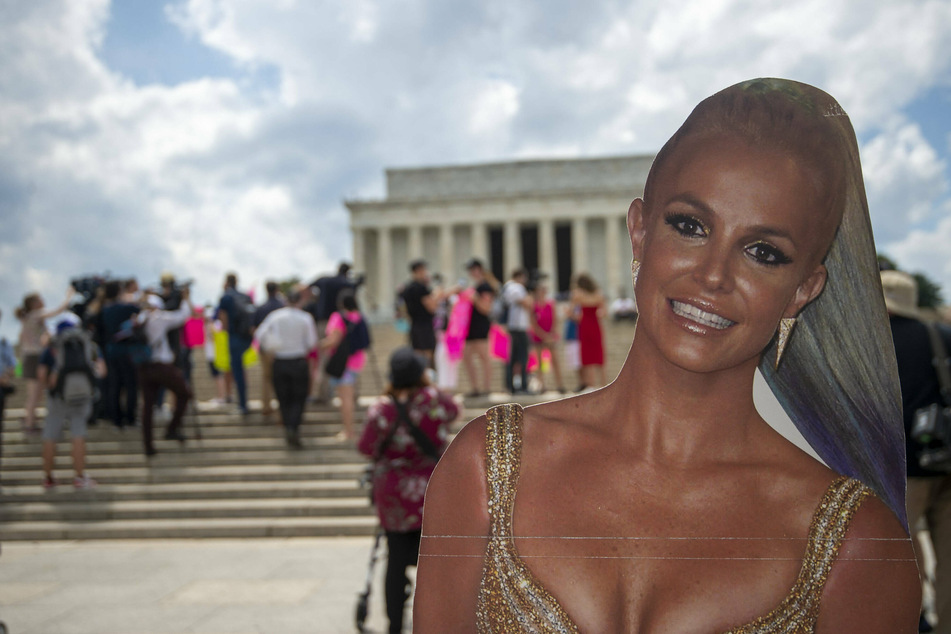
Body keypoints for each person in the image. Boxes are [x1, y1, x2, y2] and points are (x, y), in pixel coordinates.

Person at [415, 78, 919, 632]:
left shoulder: (858, 548)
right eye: (690, 226)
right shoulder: (483, 469)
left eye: (763, 252)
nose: (713, 275)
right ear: (639, 232)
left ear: (804, 288)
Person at [358, 347, 460, 634]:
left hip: (393, 495)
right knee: (437, 561)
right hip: (432, 490)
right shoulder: (433, 401)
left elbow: (365, 447)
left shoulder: (381, 408)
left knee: (395, 560)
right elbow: (454, 411)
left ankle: (394, 625)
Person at [883, 269, 951, 632]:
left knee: (904, 557)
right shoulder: (941, 334)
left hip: (904, 469)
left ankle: (915, 623)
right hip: (948, 462)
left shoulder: (877, 344)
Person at [37, 320, 105, 489]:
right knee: (78, 434)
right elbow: (102, 371)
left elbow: (41, 374)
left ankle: (48, 478)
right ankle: (79, 477)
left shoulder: (53, 347)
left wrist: (52, 387)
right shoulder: (89, 344)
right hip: (82, 396)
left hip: (57, 397)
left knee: (50, 435)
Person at [254, 289, 318, 449]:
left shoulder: (275, 316)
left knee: (283, 398)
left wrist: (270, 347)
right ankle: (293, 427)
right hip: (298, 361)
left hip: (280, 361)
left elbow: (259, 334)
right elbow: (312, 343)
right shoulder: (305, 317)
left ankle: (289, 426)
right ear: (299, 301)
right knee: (298, 398)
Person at [138, 292, 193, 457]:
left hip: (143, 367)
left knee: (147, 406)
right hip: (161, 365)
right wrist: (184, 298)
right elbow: (182, 316)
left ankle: (148, 445)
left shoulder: (139, 320)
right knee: (184, 394)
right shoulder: (159, 317)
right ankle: (172, 428)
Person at [15, 287, 75, 432]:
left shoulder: (27, 318)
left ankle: (29, 420)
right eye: (40, 298)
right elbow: (58, 311)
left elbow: (21, 339)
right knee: (35, 394)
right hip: (35, 357)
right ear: (34, 303)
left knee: (34, 393)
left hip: (29, 357)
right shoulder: (36, 314)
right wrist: (68, 297)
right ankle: (30, 424)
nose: (43, 300)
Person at [322, 290, 368, 441]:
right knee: (349, 396)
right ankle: (350, 430)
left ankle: (349, 431)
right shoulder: (360, 317)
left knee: (345, 398)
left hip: (343, 363)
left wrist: (316, 346)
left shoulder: (338, 317)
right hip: (357, 362)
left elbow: (333, 340)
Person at [401, 260, 453, 364]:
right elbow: (432, 307)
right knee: (427, 355)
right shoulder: (420, 287)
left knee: (417, 353)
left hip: (414, 325)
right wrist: (437, 295)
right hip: (424, 326)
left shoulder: (407, 287)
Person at [217, 273, 253, 415]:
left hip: (234, 337)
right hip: (246, 338)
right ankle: (244, 402)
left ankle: (243, 405)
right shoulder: (245, 296)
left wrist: (227, 332)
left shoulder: (226, 297)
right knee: (241, 370)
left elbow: (223, 318)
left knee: (237, 371)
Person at [461, 259, 497, 398]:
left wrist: (474, 298)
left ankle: (486, 388)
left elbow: (486, 308)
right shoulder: (476, 287)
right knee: (467, 357)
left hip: (480, 327)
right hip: (470, 328)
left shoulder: (485, 287)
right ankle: (475, 387)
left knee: (484, 357)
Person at [254, 281, 286, 422]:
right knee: (281, 379)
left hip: (265, 347)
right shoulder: (282, 306)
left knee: (266, 378)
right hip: (282, 348)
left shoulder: (260, 307)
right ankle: (281, 411)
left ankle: (266, 407)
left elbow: (254, 328)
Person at [570, 272, 607, 389]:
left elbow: (570, 311)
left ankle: (590, 384)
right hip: (595, 325)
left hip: (585, 325)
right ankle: (603, 383)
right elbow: (604, 312)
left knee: (587, 357)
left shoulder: (577, 294)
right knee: (598, 355)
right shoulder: (598, 294)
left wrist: (577, 318)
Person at [529, 278, 565, 394]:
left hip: (550, 336)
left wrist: (551, 335)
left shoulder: (551, 304)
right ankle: (541, 385)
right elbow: (533, 324)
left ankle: (560, 385)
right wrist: (544, 336)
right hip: (538, 337)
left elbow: (555, 320)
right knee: (539, 363)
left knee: (555, 361)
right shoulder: (533, 306)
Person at [500, 268, 534, 394]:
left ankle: (511, 385)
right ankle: (523, 385)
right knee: (522, 357)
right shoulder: (516, 287)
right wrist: (530, 297)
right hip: (518, 327)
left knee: (513, 357)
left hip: (513, 326)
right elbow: (527, 304)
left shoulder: (507, 287)